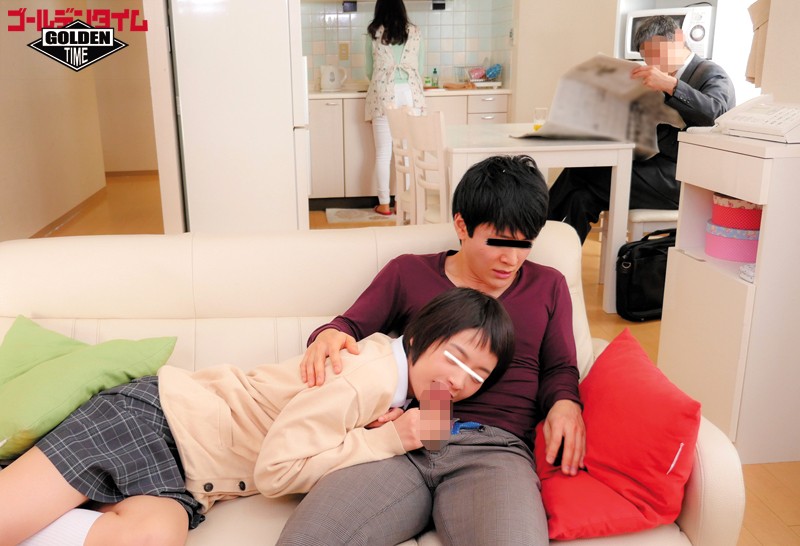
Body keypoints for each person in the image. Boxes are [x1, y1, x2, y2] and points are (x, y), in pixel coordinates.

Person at [0, 288, 514, 546]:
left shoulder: (405, 382)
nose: (462, 379)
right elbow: (276, 473)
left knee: (151, 537)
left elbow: (433, 437)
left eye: (480, 374)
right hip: (157, 422)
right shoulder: (368, 376)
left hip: (191, 473)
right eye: (455, 356)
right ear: (421, 335)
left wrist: (405, 420)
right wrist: (388, 440)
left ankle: (37, 503)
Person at [282, 155, 585, 546]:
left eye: (525, 243)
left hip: (495, 450)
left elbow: (560, 367)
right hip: (401, 442)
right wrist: (327, 335)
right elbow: (347, 328)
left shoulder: (548, 286)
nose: (512, 259)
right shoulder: (409, 273)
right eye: (499, 242)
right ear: (462, 225)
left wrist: (566, 403)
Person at [547, 15, 736, 243]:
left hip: (683, 179)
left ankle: (532, 232)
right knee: (581, 197)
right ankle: (557, 255)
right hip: (653, 168)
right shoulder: (659, 80)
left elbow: (716, 114)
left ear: (678, 38)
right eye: (647, 58)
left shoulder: (710, 73)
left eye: (657, 54)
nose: (653, 63)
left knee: (580, 171)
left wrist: (671, 86)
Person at [364, 0, 425, 216]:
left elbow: (369, 71)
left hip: (384, 93)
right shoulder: (415, 32)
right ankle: (402, 203)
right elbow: (421, 68)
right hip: (410, 93)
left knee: (383, 152)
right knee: (406, 152)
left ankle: (383, 204)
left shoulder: (374, 33)